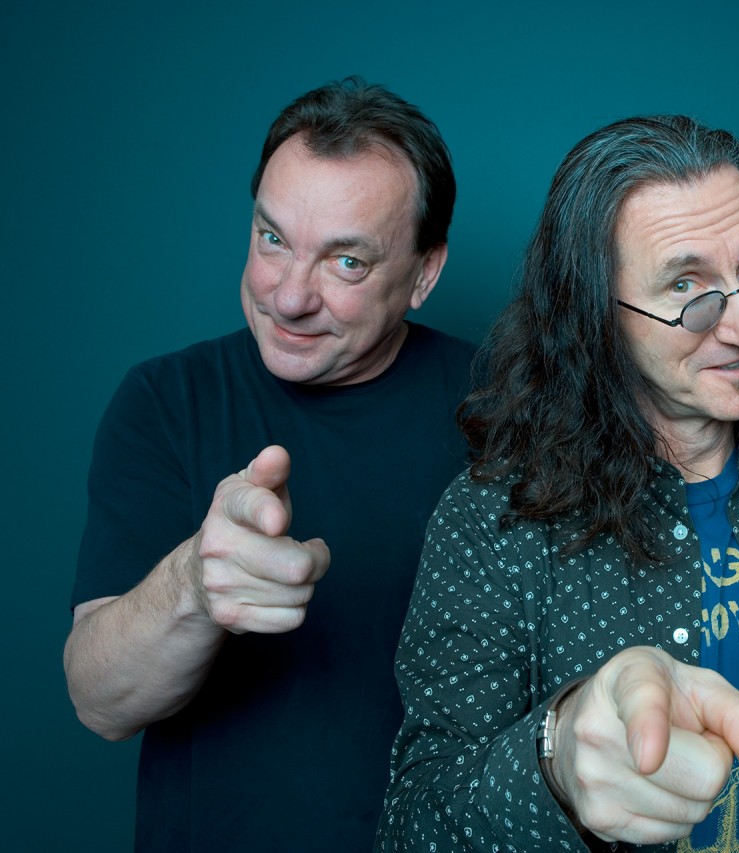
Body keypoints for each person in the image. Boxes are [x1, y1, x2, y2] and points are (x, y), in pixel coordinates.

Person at [379, 115, 739, 851]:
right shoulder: (491, 521)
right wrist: (555, 761)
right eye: (687, 286)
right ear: (594, 314)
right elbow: (416, 825)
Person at [63, 77, 476, 852]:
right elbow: (100, 702)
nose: (288, 297)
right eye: (272, 238)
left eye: (345, 261)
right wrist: (195, 585)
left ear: (424, 274)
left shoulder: (512, 416)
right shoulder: (165, 400)